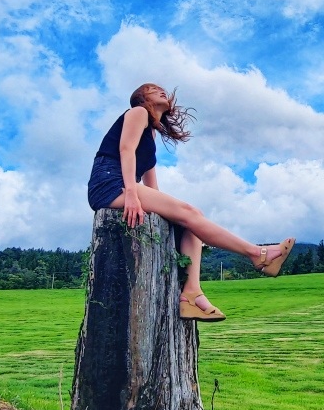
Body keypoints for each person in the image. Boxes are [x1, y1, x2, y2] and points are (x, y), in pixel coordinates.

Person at [87, 83, 295, 322]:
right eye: (153, 89)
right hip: (109, 182)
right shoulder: (138, 113)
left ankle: (191, 295)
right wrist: (132, 193)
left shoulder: (151, 135)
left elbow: (154, 189)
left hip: (125, 184)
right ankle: (258, 254)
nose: (162, 90)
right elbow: (126, 149)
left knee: (190, 220)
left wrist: (171, 215)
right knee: (189, 212)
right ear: (141, 97)